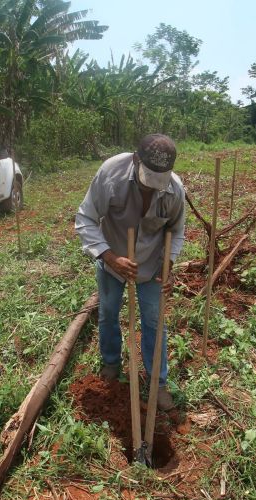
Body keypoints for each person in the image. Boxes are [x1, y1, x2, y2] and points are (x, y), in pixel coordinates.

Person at [75, 134, 186, 410]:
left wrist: (168, 263)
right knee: (109, 312)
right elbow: (86, 219)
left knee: (154, 321)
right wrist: (110, 258)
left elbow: (177, 231)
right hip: (112, 256)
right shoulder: (110, 174)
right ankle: (111, 363)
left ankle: (158, 383)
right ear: (136, 160)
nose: (153, 189)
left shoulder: (174, 190)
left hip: (150, 265)